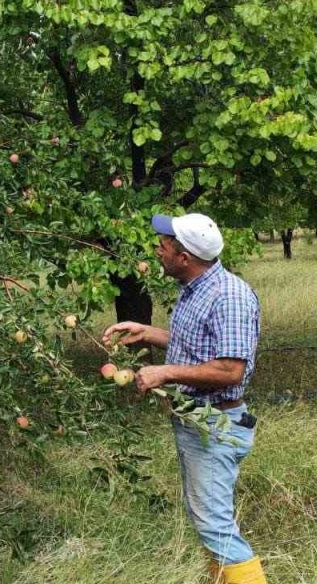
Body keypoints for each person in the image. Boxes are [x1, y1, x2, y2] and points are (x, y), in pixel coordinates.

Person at [103, 213, 267, 584]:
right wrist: (147, 332)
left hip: (214, 423)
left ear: (184, 257)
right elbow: (198, 346)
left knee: (214, 524)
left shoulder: (229, 296)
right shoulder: (196, 290)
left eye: (164, 245)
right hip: (196, 420)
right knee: (208, 518)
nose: (157, 250)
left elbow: (230, 370)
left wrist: (166, 372)